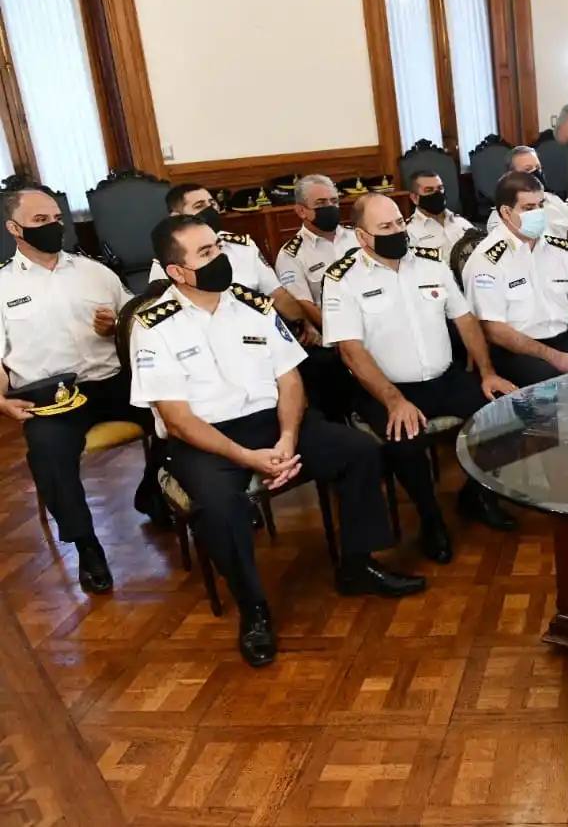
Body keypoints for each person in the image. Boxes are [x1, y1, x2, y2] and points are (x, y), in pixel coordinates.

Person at [132, 215, 426, 666]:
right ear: (176, 272)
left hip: (275, 424)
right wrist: (246, 457)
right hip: (206, 439)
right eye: (206, 253)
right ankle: (253, 608)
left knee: (360, 451)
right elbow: (177, 417)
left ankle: (357, 565)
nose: (221, 258)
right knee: (219, 505)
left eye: (218, 247)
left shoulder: (254, 305)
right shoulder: (154, 325)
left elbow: (290, 380)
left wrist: (287, 439)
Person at [324, 193, 519, 564]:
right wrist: (393, 400)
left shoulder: (431, 265)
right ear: (362, 237)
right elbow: (351, 350)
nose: (397, 231)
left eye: (399, 222)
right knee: (406, 440)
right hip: (386, 389)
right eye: (385, 227)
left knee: (504, 414)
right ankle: (432, 521)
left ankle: (477, 494)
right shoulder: (343, 281)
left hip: (444, 379)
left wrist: (487, 371)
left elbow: (465, 321)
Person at [0, 188, 165, 594]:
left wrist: (118, 328)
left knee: (175, 416)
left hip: (111, 379)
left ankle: (154, 492)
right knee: (48, 452)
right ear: (14, 229)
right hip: (52, 396)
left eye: (56, 218)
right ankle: (87, 545)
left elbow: (137, 322)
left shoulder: (96, 272)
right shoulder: (2, 285)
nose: (53, 226)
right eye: (40, 221)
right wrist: (0, 401)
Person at [463, 171, 568, 387]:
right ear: (506, 212)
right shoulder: (487, 260)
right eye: (528, 208)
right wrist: (556, 357)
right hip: (519, 351)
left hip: (566, 339)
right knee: (553, 383)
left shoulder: (558, 248)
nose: (538, 213)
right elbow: (494, 330)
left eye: (541, 205)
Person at [149, 184, 317, 344]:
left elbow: (277, 294)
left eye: (212, 203)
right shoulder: (168, 264)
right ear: (177, 217)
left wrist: (303, 322)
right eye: (200, 205)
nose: (210, 210)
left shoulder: (243, 246)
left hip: (261, 331)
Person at [273, 174, 363, 329]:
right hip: (335, 330)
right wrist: (339, 333)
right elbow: (304, 303)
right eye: (321, 203)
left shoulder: (358, 236)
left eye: (334, 201)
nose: (329, 207)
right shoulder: (290, 255)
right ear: (301, 211)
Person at [484, 147, 568, 238]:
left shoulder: (551, 198)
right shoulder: (501, 217)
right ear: (512, 176)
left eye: (538, 168)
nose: (536, 173)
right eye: (527, 169)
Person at [405, 169, 476, 257]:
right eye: (429, 190)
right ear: (414, 198)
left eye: (440, 188)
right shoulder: (410, 232)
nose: (437, 194)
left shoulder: (461, 222)